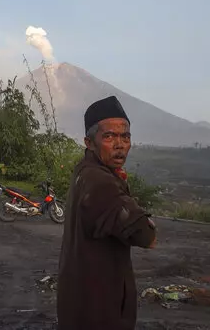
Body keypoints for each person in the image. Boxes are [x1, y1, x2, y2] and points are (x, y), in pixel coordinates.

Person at [57, 96, 157, 330]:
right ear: (89, 142)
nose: (120, 145)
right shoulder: (101, 182)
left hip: (81, 300)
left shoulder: (85, 170)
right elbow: (147, 237)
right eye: (109, 137)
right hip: (99, 310)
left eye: (125, 137)